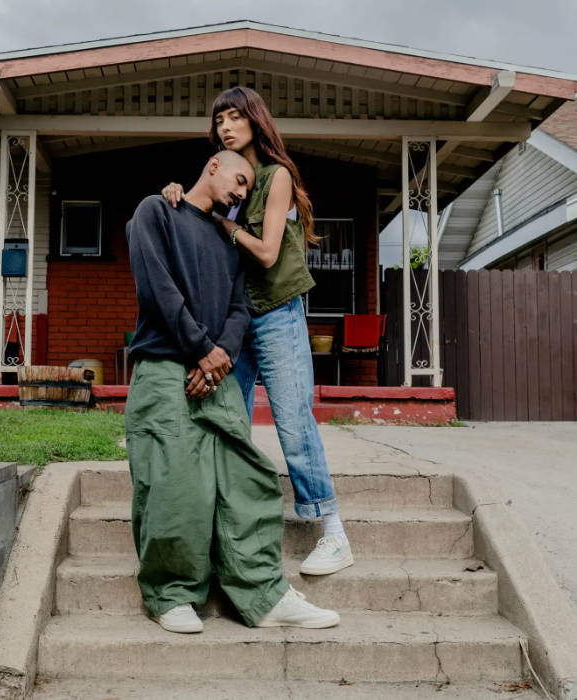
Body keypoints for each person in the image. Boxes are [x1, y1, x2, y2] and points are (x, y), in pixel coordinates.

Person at [125, 149, 340, 634]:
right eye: (239, 180)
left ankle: (265, 593)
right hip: (165, 366)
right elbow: (157, 288)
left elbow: (241, 307)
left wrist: (218, 353)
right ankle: (171, 593)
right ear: (213, 166)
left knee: (247, 480)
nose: (242, 193)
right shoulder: (156, 211)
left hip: (215, 371)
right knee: (176, 484)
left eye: (248, 188)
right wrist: (202, 348)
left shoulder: (228, 241)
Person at [162, 87, 354, 577]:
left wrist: (227, 229)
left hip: (278, 314)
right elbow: (197, 217)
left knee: (293, 423)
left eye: (235, 117)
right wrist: (176, 195)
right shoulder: (227, 178)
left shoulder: (276, 177)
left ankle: (332, 532)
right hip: (237, 319)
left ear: (255, 121)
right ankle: (233, 527)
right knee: (232, 422)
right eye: (219, 119)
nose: (226, 125)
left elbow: (267, 252)